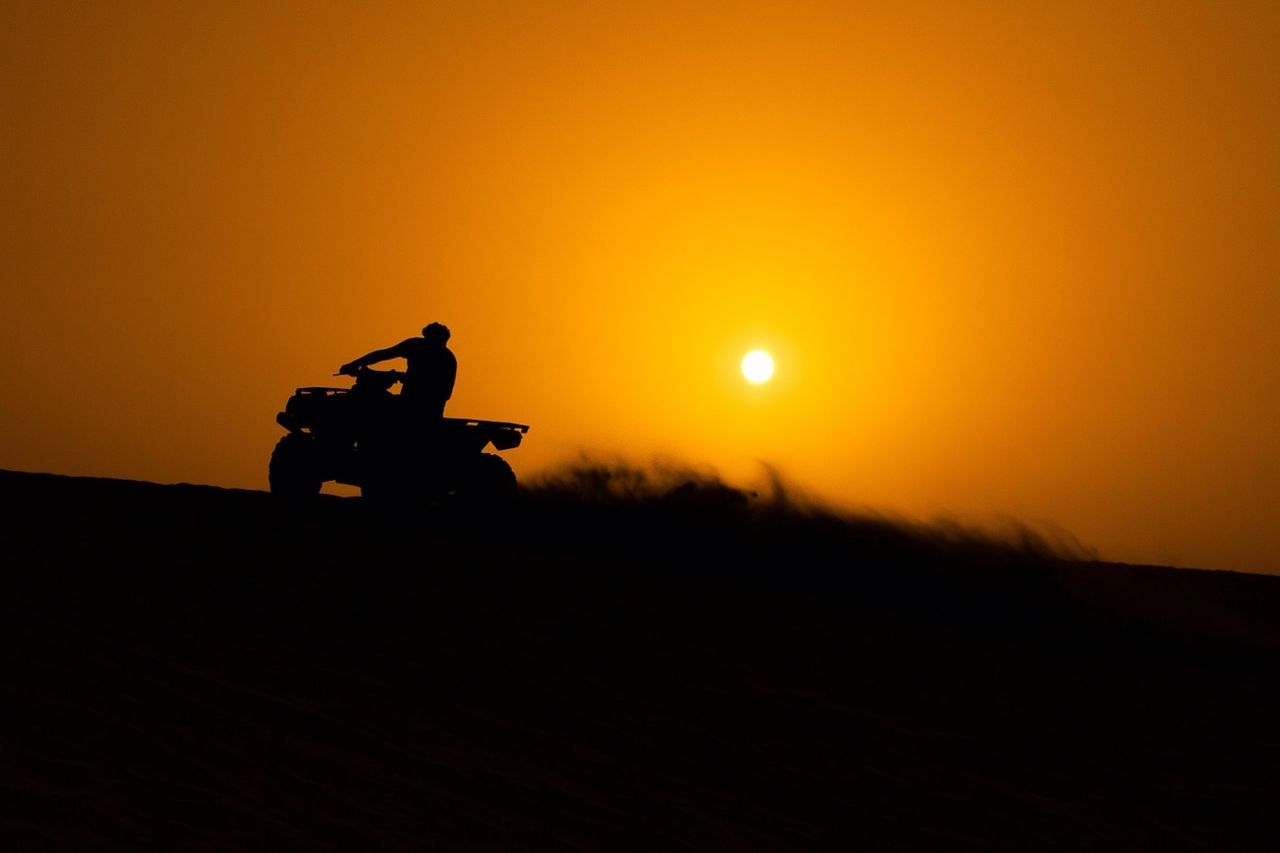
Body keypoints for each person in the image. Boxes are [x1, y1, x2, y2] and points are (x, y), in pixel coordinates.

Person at [339, 322, 457, 419]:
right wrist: (354, 364)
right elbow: (382, 354)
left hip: (419, 411)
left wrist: (408, 380)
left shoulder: (444, 358)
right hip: (413, 407)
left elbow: (444, 393)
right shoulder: (419, 347)